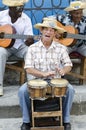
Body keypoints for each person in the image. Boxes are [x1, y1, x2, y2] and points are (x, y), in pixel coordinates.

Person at [18, 17, 75, 130]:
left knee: (71, 90)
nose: (48, 32)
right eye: (46, 29)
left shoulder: (61, 48)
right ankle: (26, 121)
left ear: (54, 33)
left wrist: (63, 70)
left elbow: (69, 64)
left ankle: (66, 120)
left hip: (56, 81)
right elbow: (28, 69)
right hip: (36, 81)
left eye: (52, 30)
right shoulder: (32, 48)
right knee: (22, 91)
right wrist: (43, 74)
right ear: (41, 31)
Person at [0, 0, 34, 96]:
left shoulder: (26, 19)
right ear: (10, 8)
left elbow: (29, 36)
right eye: (18, 8)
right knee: (0, 52)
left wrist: (29, 41)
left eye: (22, 7)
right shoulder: (1, 15)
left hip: (20, 46)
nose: (21, 10)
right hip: (4, 47)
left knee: (29, 51)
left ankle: (32, 85)